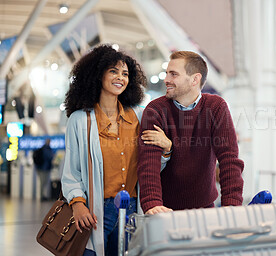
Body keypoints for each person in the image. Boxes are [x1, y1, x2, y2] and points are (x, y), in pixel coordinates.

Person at [61, 44, 172, 256]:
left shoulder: (140, 116)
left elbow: (149, 167)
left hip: (131, 209)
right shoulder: (79, 120)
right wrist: (77, 204)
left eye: (125, 73)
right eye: (113, 71)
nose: (120, 77)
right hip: (95, 212)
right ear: (97, 74)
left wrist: (166, 150)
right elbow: (71, 172)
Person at [137, 51, 244, 215]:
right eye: (167, 73)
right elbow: (148, 164)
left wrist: (232, 205)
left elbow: (229, 159)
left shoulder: (215, 107)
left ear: (195, 79)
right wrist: (151, 202)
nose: (166, 80)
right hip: (163, 210)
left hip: (205, 207)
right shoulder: (155, 110)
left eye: (173, 74)